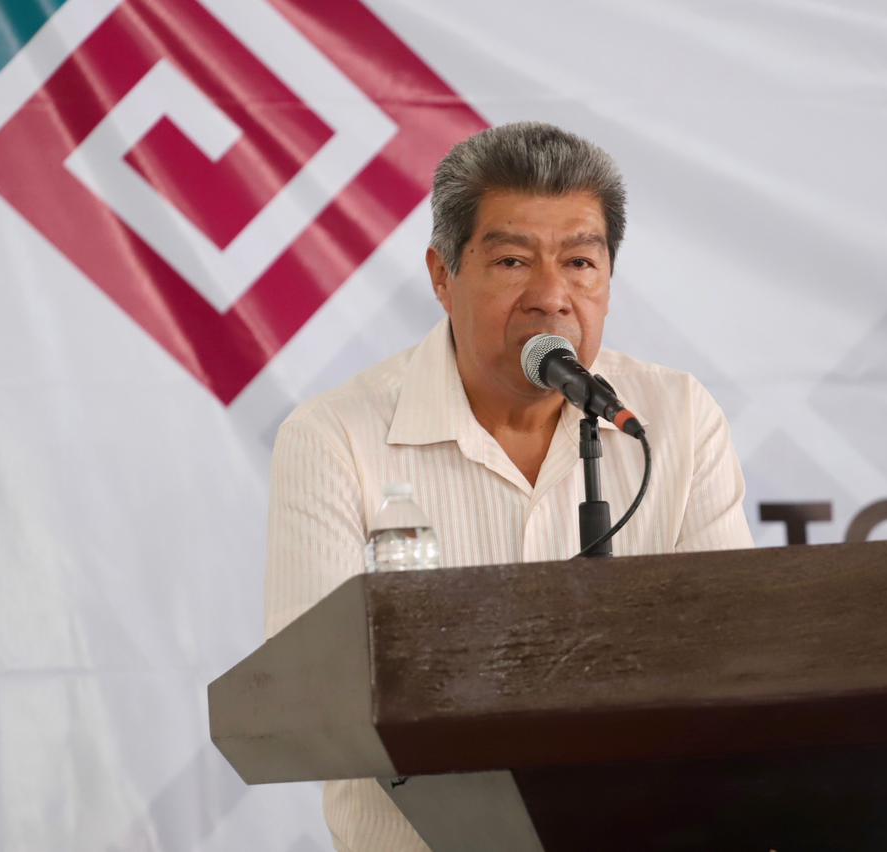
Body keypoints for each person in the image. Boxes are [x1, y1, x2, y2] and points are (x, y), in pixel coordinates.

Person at [264, 121, 754, 851]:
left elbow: (735, 662)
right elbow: (311, 696)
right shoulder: (336, 437)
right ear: (442, 276)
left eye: (580, 262)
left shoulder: (673, 419)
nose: (551, 297)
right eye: (513, 261)